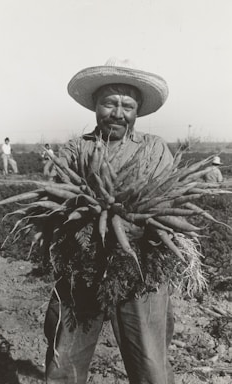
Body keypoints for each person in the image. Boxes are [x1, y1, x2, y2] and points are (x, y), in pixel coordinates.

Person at [44, 58, 175, 384]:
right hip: (82, 267)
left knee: (150, 365)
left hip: (140, 269)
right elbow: (56, 201)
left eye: (127, 105)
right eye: (109, 103)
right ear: (95, 106)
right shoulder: (76, 149)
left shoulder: (154, 149)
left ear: (137, 110)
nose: (117, 112)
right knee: (65, 360)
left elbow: (166, 204)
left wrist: (141, 226)